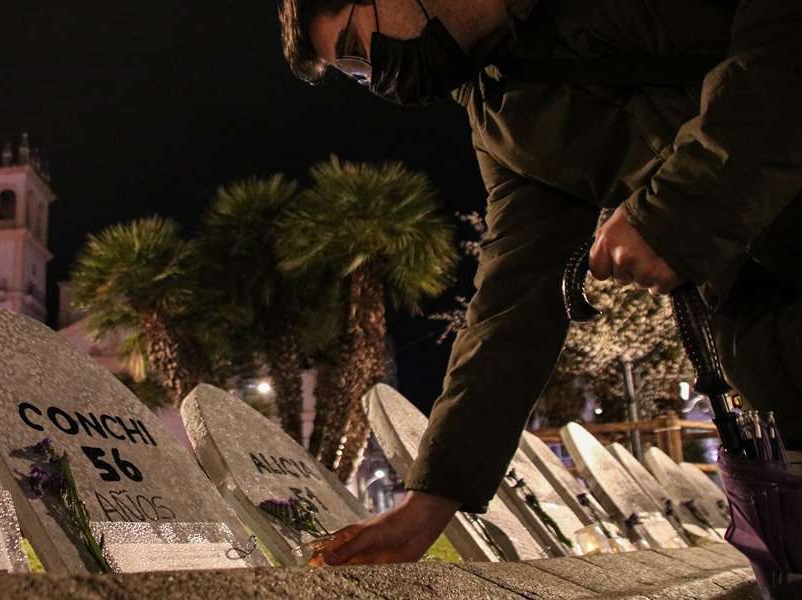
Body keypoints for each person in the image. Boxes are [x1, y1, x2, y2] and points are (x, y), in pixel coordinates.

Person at [280, 0, 802, 564]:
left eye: (359, 54)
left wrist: (679, 209)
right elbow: (512, 303)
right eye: (359, 77)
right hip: (774, 333)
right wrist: (432, 498)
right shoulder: (502, 116)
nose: (379, 81)